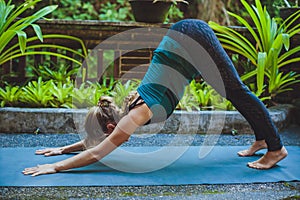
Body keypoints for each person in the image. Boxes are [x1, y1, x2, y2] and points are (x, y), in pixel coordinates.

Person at [23, 19, 287, 177]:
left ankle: (275, 149)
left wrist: (56, 167)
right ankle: (261, 138)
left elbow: (97, 151)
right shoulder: (122, 112)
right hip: (185, 43)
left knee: (237, 91)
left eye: (105, 134)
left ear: (112, 128)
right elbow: (94, 141)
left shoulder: (134, 115)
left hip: (189, 37)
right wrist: (62, 148)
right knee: (232, 92)